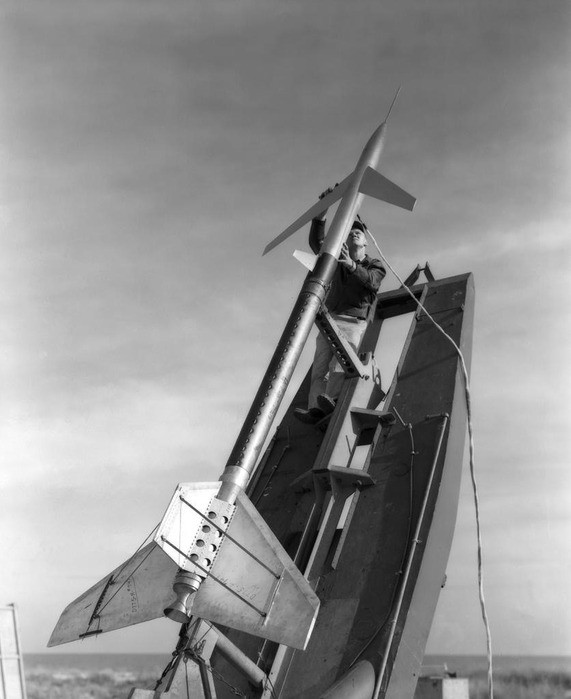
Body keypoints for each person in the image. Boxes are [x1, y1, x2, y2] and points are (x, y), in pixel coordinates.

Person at [294, 210, 386, 424]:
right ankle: (316, 408)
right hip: (331, 319)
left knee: (339, 364)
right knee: (320, 368)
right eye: (351, 231)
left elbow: (372, 281)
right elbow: (318, 244)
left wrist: (351, 265)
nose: (354, 233)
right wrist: (320, 218)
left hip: (353, 323)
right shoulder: (336, 259)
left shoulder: (374, 265)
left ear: (366, 243)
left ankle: (333, 400)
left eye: (359, 232)